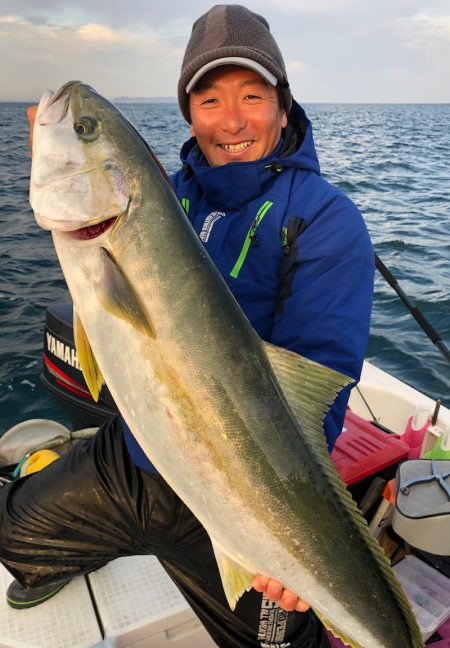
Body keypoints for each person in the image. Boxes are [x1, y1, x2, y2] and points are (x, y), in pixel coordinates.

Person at [0, 5, 374, 647]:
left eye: (253, 96)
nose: (231, 121)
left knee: (288, 638)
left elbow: (319, 397)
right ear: (189, 113)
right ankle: (106, 534)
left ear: (284, 108)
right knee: (14, 535)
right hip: (139, 456)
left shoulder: (325, 220)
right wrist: (72, 157)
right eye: (209, 100)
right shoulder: (167, 196)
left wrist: (298, 525)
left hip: (241, 487)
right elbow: (97, 216)